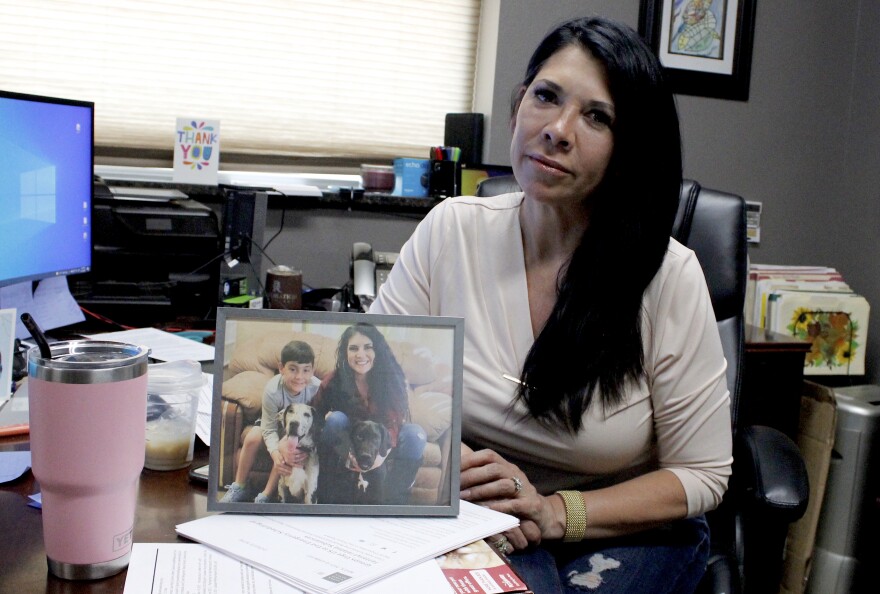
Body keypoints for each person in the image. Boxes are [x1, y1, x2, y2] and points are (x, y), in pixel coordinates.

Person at [370, 15, 732, 593]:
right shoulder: (451, 232)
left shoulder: (669, 278)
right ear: (518, 106)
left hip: (624, 526)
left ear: (627, 147)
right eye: (546, 96)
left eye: (596, 116)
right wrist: (462, 468)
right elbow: (379, 376)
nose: (558, 129)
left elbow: (703, 475)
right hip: (480, 511)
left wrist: (555, 511)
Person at [312, 322, 427, 504]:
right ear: (345, 352)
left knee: (416, 435)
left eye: (368, 347)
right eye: (353, 348)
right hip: (351, 440)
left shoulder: (390, 379)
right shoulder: (334, 381)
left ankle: (394, 498)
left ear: (377, 351)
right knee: (335, 420)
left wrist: (381, 453)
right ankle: (330, 494)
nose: (361, 355)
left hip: (384, 440)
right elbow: (315, 415)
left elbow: (394, 422)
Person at [220, 340, 321, 503]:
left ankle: (266, 495)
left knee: (288, 448)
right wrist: (275, 453)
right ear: (281, 368)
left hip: (297, 428)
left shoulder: (317, 388)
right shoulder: (273, 389)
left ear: (312, 371)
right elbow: (268, 429)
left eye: (305, 370)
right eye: (293, 369)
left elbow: (319, 420)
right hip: (273, 421)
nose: (299, 377)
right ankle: (239, 486)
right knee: (252, 438)